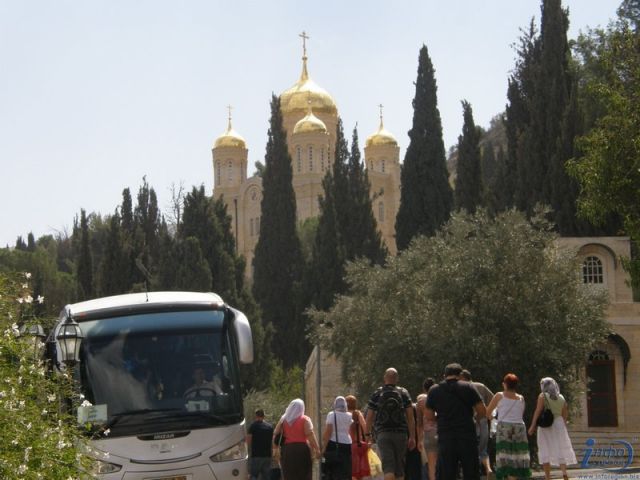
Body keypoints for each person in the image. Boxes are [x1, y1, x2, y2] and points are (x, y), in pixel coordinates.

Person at [425, 363, 486, 480]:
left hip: (446, 436)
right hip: (467, 435)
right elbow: (482, 410)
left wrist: (440, 418)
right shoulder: (468, 387)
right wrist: (475, 419)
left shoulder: (435, 390)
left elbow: (429, 415)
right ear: (460, 375)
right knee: (471, 472)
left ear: (444, 375)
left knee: (446, 473)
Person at [366, 367, 416, 480]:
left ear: (385, 378)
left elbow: (369, 417)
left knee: (388, 467)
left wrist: (367, 435)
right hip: (401, 434)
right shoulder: (403, 392)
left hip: (383, 434)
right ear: (396, 379)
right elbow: (410, 416)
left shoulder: (378, 393)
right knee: (399, 468)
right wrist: (412, 436)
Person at [527, 377, 576, 480]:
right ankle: (564, 473)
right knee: (560, 448)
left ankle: (548, 477)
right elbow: (565, 414)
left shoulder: (543, 396)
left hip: (546, 425)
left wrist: (533, 425)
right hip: (559, 424)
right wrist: (563, 426)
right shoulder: (561, 397)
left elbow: (538, 411)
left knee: (544, 448)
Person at [486, 373, 530, 480]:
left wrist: (494, 419)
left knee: (505, 454)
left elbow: (488, 412)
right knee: (517, 454)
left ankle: (508, 477)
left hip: (504, 427)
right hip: (519, 428)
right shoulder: (521, 398)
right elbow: (521, 413)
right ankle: (513, 477)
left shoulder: (499, 395)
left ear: (504, 384)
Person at [273, 398, 321, 480]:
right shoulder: (305, 419)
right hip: (302, 450)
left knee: (289, 474)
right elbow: (310, 435)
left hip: (287, 450)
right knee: (304, 474)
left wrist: (275, 449)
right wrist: (317, 449)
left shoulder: (283, 420)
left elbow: (276, 434)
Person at [460, 369, 494, 477]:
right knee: (483, 450)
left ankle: (474, 473)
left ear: (463, 378)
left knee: (470, 449)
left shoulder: (464, 388)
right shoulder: (481, 386)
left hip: (471, 421)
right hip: (483, 421)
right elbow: (493, 398)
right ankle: (488, 469)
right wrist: (488, 413)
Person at [322, 396, 353, 480]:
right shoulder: (349, 416)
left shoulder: (332, 415)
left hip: (333, 444)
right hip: (347, 444)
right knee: (345, 470)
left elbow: (328, 432)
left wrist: (324, 447)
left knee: (332, 471)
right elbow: (349, 430)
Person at [416, 378, 437, 480]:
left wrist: (419, 440)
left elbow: (419, 423)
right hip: (442, 433)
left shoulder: (421, 401)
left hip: (428, 435)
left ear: (424, 389)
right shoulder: (441, 397)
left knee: (430, 465)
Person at [346, 395, 371, 480]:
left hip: (348, 446)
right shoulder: (357, 413)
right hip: (359, 445)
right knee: (360, 472)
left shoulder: (344, 415)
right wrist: (368, 440)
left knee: (352, 472)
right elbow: (365, 426)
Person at [247, 408, 274, 480]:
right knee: (266, 477)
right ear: (264, 416)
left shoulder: (253, 426)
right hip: (267, 456)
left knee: (254, 476)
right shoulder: (270, 427)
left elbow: (248, 440)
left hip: (256, 455)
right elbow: (272, 441)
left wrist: (249, 451)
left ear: (256, 416)